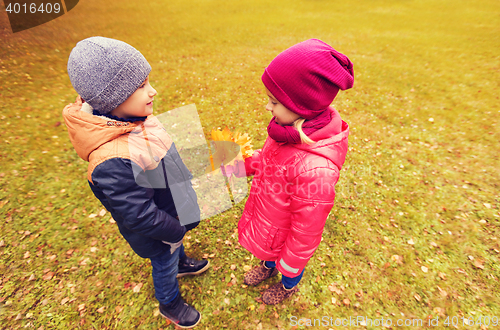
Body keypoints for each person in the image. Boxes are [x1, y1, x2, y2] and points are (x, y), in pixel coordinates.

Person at [63, 36, 208, 328]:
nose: (152, 91)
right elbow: (139, 214)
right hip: (160, 230)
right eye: (141, 86)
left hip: (172, 211)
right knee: (164, 262)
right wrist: (175, 229)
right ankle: (169, 302)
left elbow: (160, 156)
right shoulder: (111, 160)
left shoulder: (137, 118)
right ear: (111, 99)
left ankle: (180, 260)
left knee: (174, 248)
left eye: (147, 81)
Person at [237, 39, 354, 305]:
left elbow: (306, 230)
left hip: (288, 235)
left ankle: (288, 284)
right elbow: (268, 162)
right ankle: (268, 266)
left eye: (274, 102)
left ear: (301, 106)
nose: (268, 108)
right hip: (269, 221)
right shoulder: (286, 132)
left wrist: (292, 262)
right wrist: (239, 164)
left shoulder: (316, 169)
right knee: (269, 252)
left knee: (287, 266)